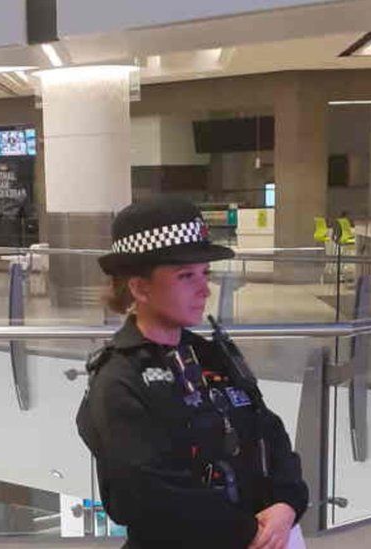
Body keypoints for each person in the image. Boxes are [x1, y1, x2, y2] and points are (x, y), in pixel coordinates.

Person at [76, 197, 308, 549]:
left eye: (205, 274)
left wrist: (287, 503)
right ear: (140, 288)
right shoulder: (119, 380)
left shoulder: (211, 354)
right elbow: (150, 493)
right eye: (186, 276)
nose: (204, 289)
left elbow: (268, 430)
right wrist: (250, 534)